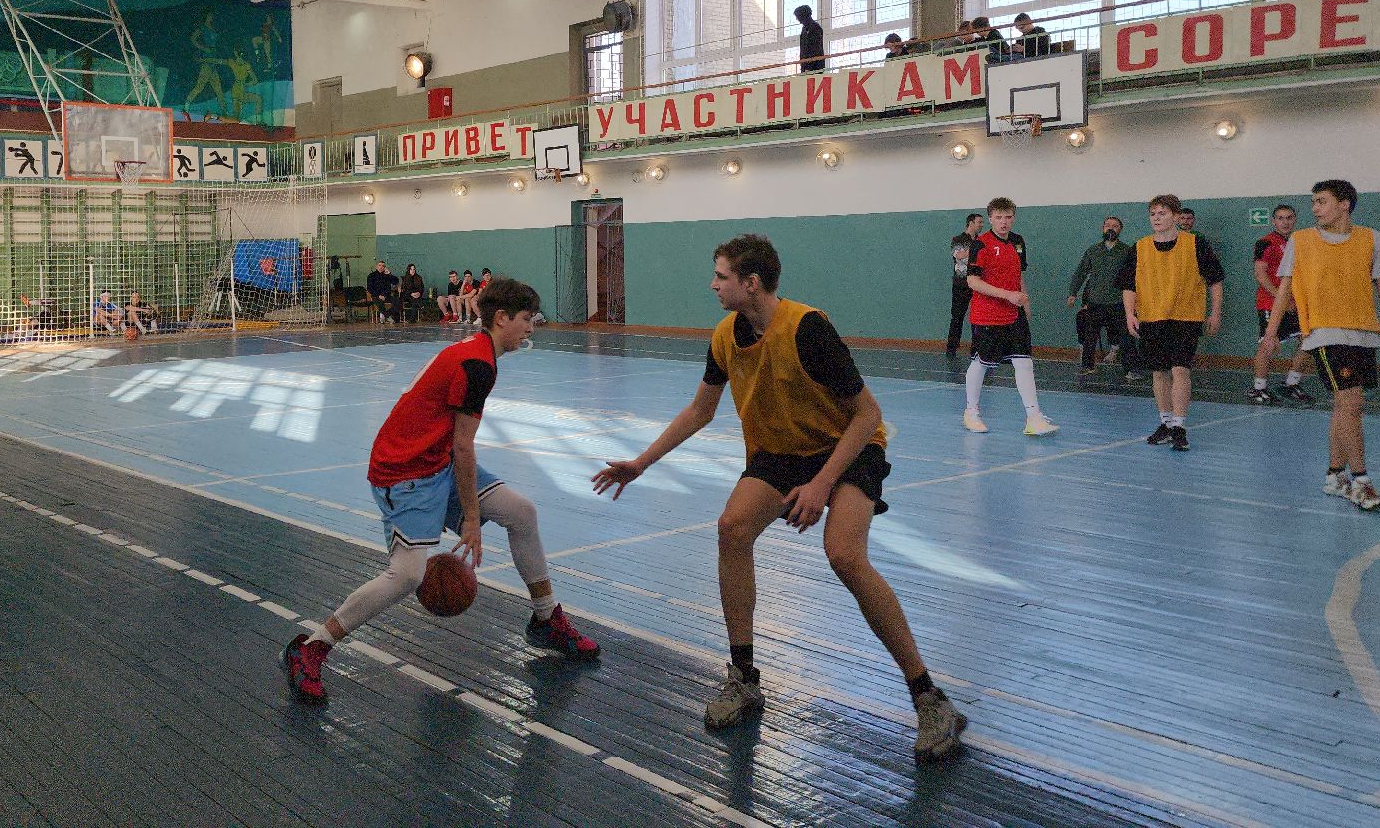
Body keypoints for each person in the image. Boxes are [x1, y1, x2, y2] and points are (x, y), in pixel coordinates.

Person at [592, 235, 967, 760]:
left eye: (721, 276)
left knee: (843, 554)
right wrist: (641, 462)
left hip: (848, 446)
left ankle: (928, 696)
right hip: (780, 451)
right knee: (731, 529)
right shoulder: (726, 334)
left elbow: (867, 415)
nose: (713, 284)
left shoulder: (807, 328)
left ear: (751, 283)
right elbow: (700, 411)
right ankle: (744, 677)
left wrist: (820, 486)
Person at [286, 277, 600, 702]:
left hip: (437, 460)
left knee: (522, 512)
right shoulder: (477, 365)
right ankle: (311, 648)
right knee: (406, 576)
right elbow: (464, 445)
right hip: (405, 470)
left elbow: (456, 446)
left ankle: (545, 618)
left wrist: (472, 510)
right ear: (502, 318)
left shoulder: (477, 353)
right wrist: (471, 519)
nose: (531, 328)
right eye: (527, 320)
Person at [1262, 179, 1380, 511]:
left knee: (1346, 406)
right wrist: (1271, 334)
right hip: (1324, 334)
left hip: (1364, 333)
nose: (1314, 208)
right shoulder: (1301, 241)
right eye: (1313, 202)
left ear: (1344, 204)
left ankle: (1335, 477)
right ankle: (1361, 481)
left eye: (1321, 201)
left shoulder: (1372, 239)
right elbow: (1284, 291)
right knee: (1351, 403)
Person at [1119, 194, 1225, 452]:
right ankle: (1165, 422)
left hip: (1185, 316)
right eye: (1153, 214)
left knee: (1181, 370)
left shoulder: (1195, 244)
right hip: (1152, 316)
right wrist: (1130, 314)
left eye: (1163, 213)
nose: (1157, 218)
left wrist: (1215, 313)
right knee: (1159, 372)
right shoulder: (1140, 247)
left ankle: (1179, 425)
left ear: (1176, 217)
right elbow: (1128, 285)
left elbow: (1215, 280)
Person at [963, 199, 1057, 436]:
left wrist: (1025, 300)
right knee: (981, 363)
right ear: (990, 218)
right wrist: (1007, 295)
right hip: (987, 315)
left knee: (1024, 362)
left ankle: (1033, 417)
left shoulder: (1018, 242)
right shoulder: (980, 245)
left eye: (1008, 217)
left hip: (1014, 314)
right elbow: (972, 281)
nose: (1003, 222)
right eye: (998, 217)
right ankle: (971, 412)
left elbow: (1018, 275)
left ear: (1013, 217)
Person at [1249, 204, 1315, 405]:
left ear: (1294, 220)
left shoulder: (1299, 242)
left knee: (1308, 340)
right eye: (1280, 218)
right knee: (1268, 344)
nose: (1285, 222)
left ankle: (1292, 384)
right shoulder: (1264, 243)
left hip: (1296, 304)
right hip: (1271, 302)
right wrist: (1282, 300)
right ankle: (1258, 388)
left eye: (1289, 218)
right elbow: (1260, 274)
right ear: (1273, 221)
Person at [1066, 216, 1136, 376]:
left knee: (1127, 337)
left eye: (1115, 226)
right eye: (1107, 225)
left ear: (1120, 230)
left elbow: (1135, 276)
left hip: (1119, 302)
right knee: (1090, 335)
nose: (1111, 228)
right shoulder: (1093, 251)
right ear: (1103, 229)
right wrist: (1073, 293)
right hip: (1095, 302)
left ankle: (1131, 369)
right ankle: (1087, 366)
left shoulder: (1127, 251)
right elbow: (1080, 272)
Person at [946, 213, 982, 361]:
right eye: (979, 222)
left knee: (978, 317)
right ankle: (952, 348)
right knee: (957, 316)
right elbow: (959, 255)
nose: (981, 225)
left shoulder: (981, 240)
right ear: (970, 223)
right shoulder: (958, 239)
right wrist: (975, 248)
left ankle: (977, 348)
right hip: (961, 284)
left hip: (978, 284)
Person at [365, 260, 399, 324]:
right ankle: (387, 316)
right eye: (379, 265)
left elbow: (396, 281)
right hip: (376, 296)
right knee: (380, 304)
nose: (381, 267)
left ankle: (385, 314)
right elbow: (369, 288)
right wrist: (379, 295)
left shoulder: (387, 275)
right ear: (376, 267)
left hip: (386, 296)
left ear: (384, 267)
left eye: (383, 266)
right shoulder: (371, 276)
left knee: (397, 301)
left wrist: (389, 273)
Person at [794, 5, 825, 73]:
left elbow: (815, 48)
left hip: (814, 67)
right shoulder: (804, 29)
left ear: (803, 16)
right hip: (806, 66)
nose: (797, 19)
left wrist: (808, 66)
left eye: (798, 17)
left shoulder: (815, 27)